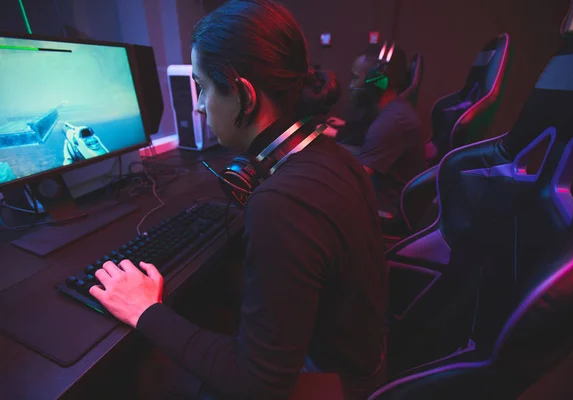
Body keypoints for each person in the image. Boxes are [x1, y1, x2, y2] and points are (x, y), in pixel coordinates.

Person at [88, 1, 388, 399]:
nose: (197, 104)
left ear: (244, 94)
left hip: (336, 384)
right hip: (364, 357)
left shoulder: (282, 204)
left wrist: (145, 310)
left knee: (146, 370)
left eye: (203, 87)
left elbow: (257, 383)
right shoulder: (332, 155)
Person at [327, 46, 426, 235]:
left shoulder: (391, 121)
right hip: (384, 195)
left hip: (385, 211)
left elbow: (356, 176)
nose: (350, 86)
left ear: (377, 82)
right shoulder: (393, 111)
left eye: (356, 78)